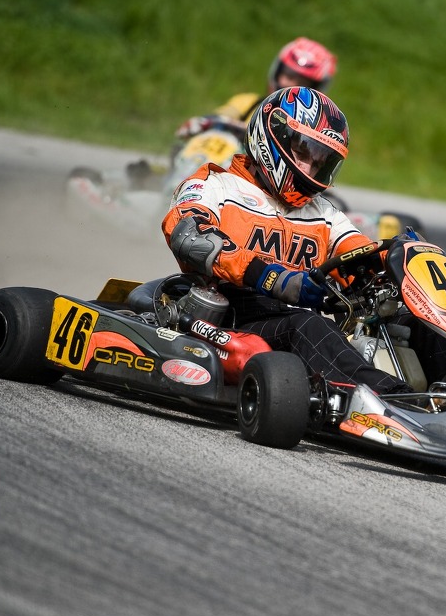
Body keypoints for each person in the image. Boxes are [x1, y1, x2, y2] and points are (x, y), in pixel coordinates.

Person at [129, 86, 415, 395]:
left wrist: (403, 260)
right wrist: (270, 277)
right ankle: (393, 400)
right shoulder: (216, 186)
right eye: (304, 153)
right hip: (232, 319)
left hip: (299, 323)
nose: (310, 169)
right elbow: (189, 235)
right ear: (273, 137)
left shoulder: (323, 213)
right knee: (307, 326)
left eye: (321, 163)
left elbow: (357, 253)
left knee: (409, 323)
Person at [173, 37, 337, 145]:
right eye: (288, 76)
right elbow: (223, 115)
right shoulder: (247, 102)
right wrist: (205, 123)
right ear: (277, 72)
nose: (291, 86)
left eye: (302, 83)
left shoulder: (311, 129)